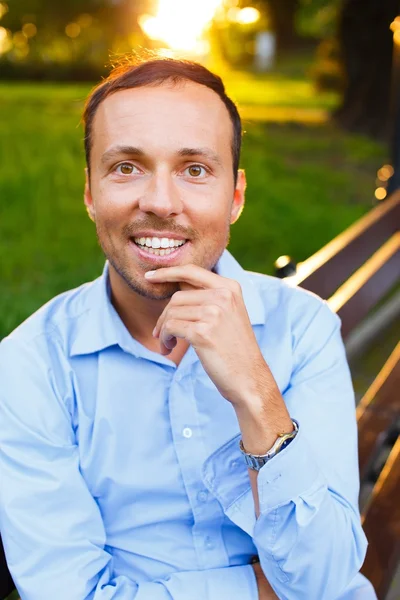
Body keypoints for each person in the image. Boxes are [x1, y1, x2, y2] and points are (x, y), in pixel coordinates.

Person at [0, 55, 377, 600]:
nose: (159, 202)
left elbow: (325, 578)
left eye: (194, 169)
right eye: (126, 167)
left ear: (236, 196)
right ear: (89, 192)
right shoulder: (32, 364)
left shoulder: (302, 329)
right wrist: (259, 590)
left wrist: (255, 393)